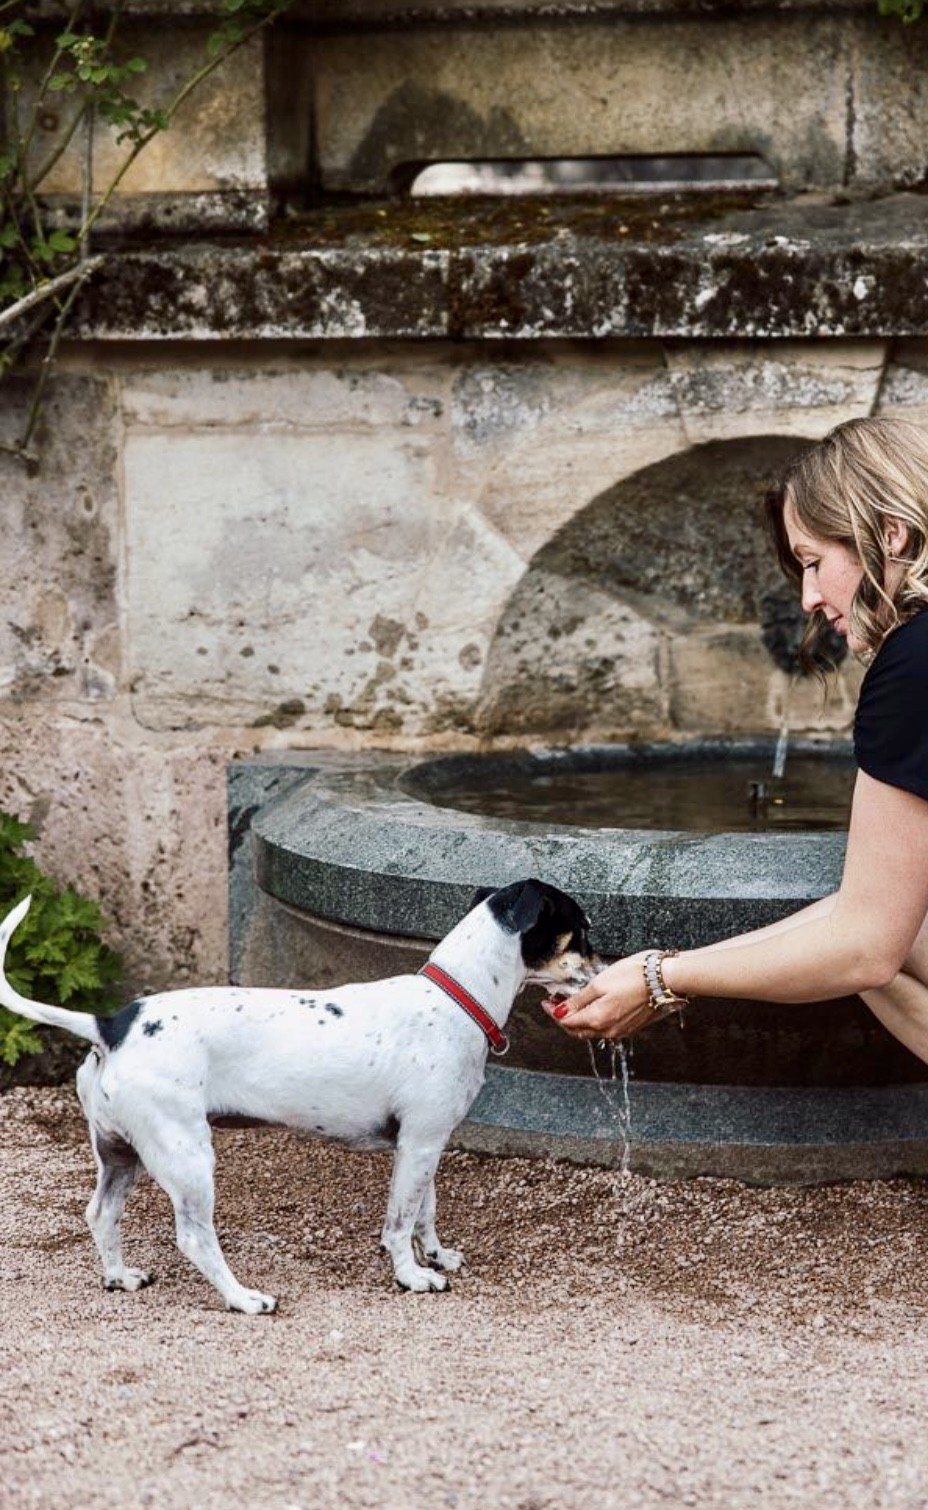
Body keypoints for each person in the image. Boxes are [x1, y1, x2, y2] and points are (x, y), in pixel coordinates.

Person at [544, 415, 928, 1065]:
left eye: (814, 562)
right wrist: (664, 972)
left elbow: (862, 947)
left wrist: (662, 979)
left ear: (891, 533)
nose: (808, 598)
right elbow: (870, 921)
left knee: (869, 945)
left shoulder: (914, 664)